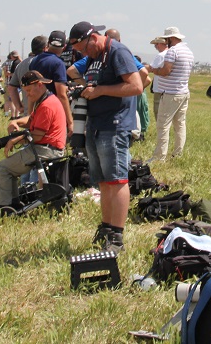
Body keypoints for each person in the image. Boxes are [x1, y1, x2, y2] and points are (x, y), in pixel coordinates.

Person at [69, 21, 143, 254]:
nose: (81, 53)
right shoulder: (93, 56)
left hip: (115, 125)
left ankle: (117, 236)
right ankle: (106, 227)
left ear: (93, 38)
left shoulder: (117, 52)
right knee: (103, 181)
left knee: (117, 180)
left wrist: (100, 91)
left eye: (82, 48)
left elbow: (136, 86)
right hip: (96, 124)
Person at [0, 70, 67, 214]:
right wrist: (16, 121)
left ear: (39, 85)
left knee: (3, 168)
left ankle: (3, 208)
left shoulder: (46, 105)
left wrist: (14, 140)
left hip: (45, 150)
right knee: (9, 169)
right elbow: (31, 120)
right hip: (48, 147)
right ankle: (12, 202)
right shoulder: (46, 100)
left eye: (29, 90)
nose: (27, 95)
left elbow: (37, 135)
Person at [149, 26, 194, 162]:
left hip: (170, 93)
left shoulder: (172, 51)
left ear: (171, 38)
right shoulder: (188, 52)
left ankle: (159, 157)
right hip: (183, 92)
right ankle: (177, 153)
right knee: (180, 124)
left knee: (163, 125)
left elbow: (165, 71)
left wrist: (153, 70)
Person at [30, 31, 74, 138]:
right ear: (64, 47)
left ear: (48, 43)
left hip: (38, 107)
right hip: (53, 110)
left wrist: (30, 114)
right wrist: (70, 121)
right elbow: (61, 94)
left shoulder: (34, 61)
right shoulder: (58, 63)